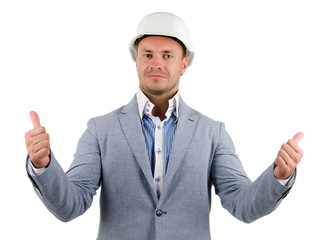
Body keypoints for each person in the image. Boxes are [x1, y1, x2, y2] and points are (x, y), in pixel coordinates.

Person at [25, 12, 304, 240]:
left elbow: (241, 204)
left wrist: (278, 175)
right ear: (136, 60)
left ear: (184, 64)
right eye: (147, 54)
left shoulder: (212, 132)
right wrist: (43, 165)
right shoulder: (100, 130)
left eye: (167, 55)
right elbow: (70, 205)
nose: (156, 63)